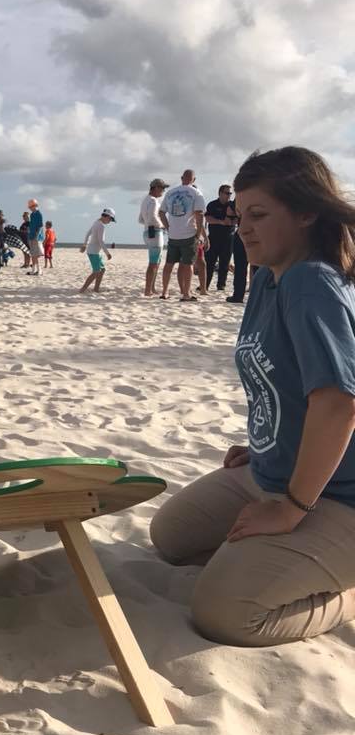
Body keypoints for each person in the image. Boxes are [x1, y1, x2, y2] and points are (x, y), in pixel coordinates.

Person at [150, 146, 355, 646]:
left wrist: (290, 507)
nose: (243, 227)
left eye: (259, 214)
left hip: (336, 495)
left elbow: (340, 403)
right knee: (171, 538)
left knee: (227, 613)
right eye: (240, 215)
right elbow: (277, 379)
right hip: (269, 471)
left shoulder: (312, 284)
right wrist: (262, 442)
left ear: (306, 212)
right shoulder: (268, 277)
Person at [158, 169, 207, 301]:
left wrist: (168, 227)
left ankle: (165, 291)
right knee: (188, 265)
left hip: (173, 234)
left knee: (169, 264)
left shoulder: (170, 192)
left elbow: (161, 212)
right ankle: (186, 293)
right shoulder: (196, 192)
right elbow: (199, 214)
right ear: (194, 180)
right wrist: (198, 234)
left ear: (181, 178)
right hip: (188, 233)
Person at [205, 184, 238, 290]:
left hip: (228, 237)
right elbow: (208, 218)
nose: (229, 195)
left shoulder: (233, 205)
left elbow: (238, 219)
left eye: (230, 193)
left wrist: (230, 221)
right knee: (209, 262)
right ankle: (205, 284)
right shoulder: (212, 204)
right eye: (227, 193)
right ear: (220, 193)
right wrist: (221, 222)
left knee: (225, 263)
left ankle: (221, 285)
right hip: (214, 237)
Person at [138, 178, 167, 296]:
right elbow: (153, 217)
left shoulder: (145, 200)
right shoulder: (154, 201)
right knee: (154, 262)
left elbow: (140, 219)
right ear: (156, 188)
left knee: (156, 261)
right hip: (155, 232)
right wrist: (163, 226)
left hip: (147, 232)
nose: (163, 191)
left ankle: (152, 288)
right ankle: (148, 290)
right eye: (162, 188)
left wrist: (149, 224)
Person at [79, 209, 116, 293]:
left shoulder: (96, 222)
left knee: (102, 270)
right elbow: (101, 241)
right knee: (96, 272)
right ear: (107, 216)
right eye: (111, 219)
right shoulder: (101, 226)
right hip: (93, 252)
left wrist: (85, 244)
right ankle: (82, 289)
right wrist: (107, 253)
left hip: (94, 252)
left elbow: (88, 233)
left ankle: (96, 289)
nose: (110, 221)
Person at [27, 199, 44, 275]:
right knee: (33, 254)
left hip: (36, 236)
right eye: (30, 207)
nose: (31, 208)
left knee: (36, 254)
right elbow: (31, 225)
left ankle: (39, 270)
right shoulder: (32, 214)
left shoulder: (38, 214)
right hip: (31, 235)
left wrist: (37, 235)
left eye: (32, 206)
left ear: (36, 205)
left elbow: (40, 226)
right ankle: (33, 270)